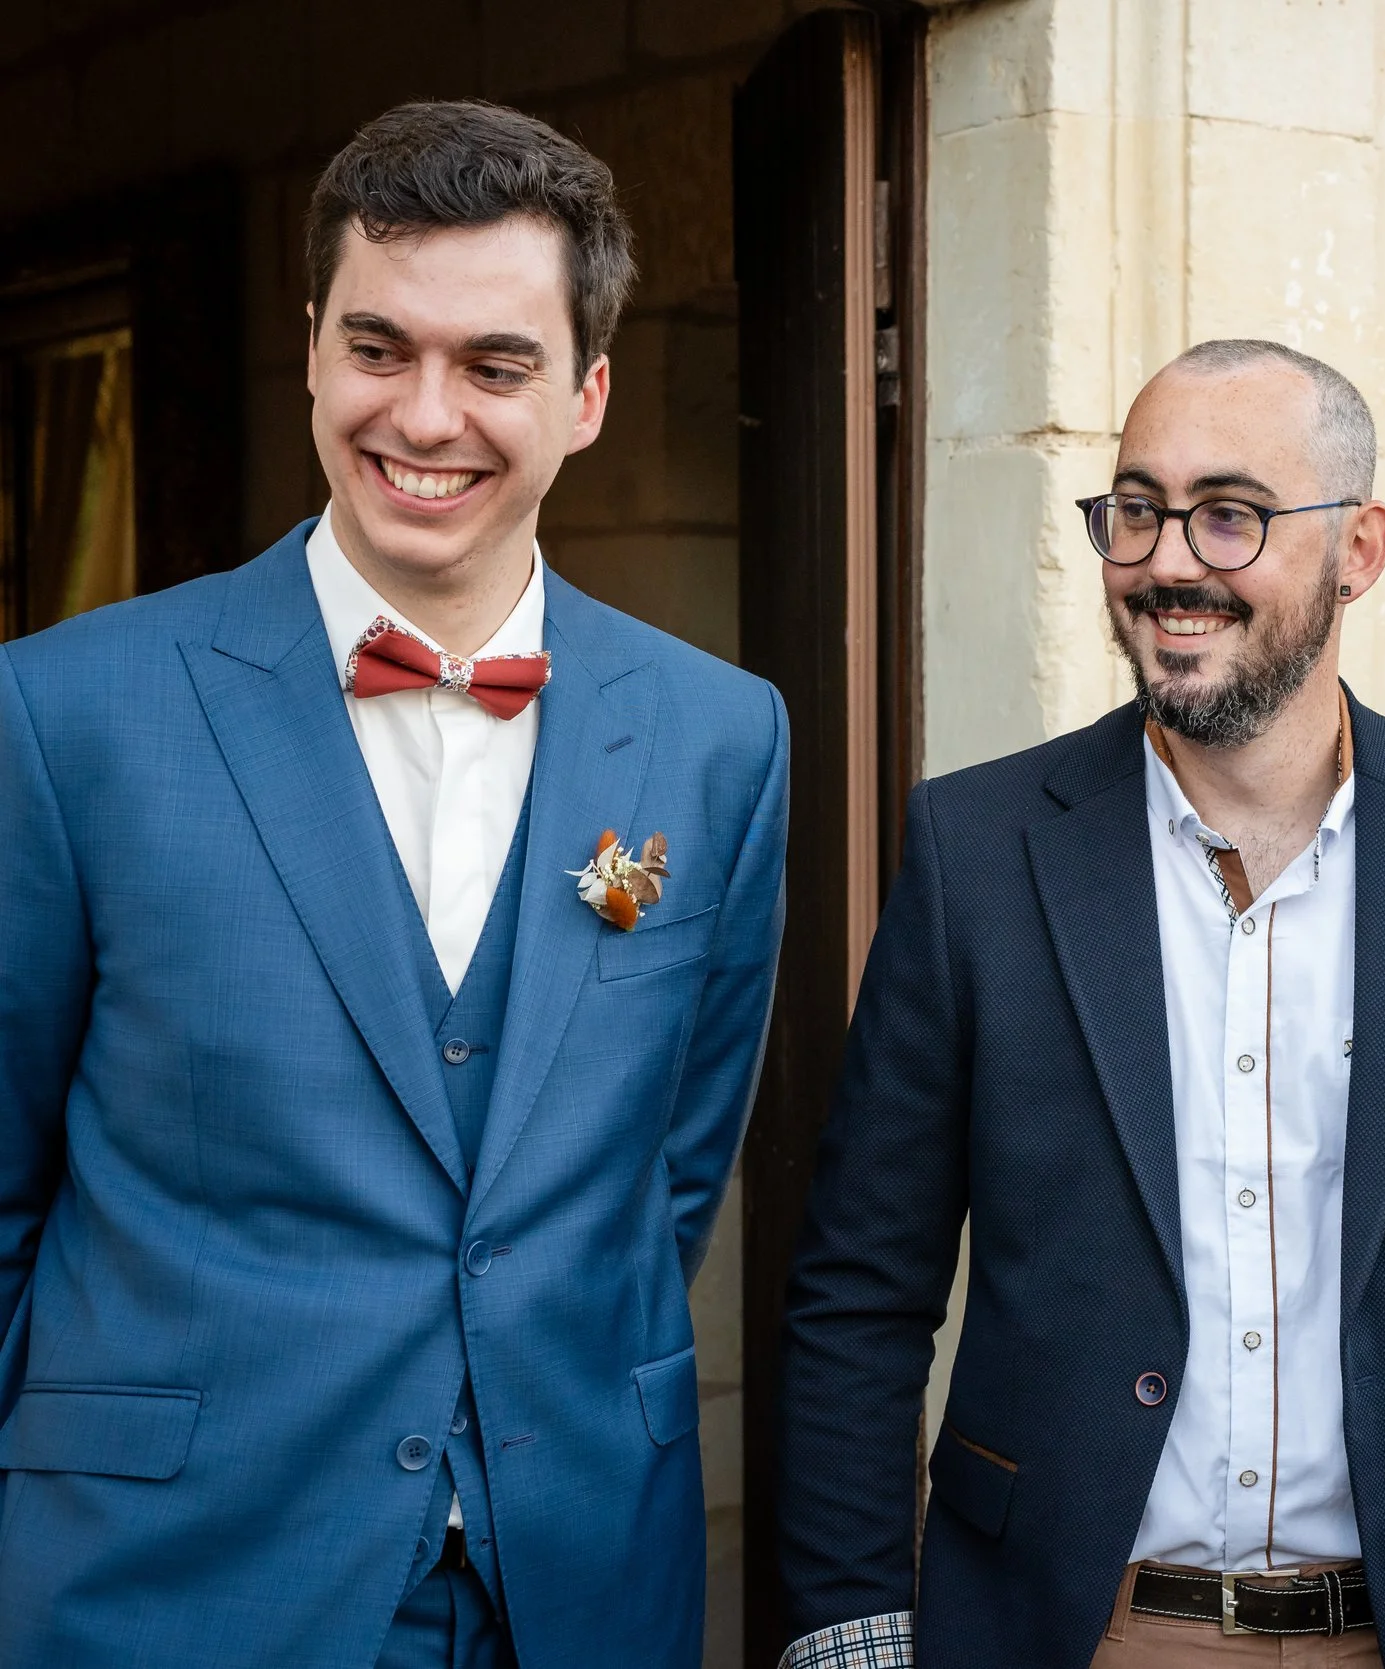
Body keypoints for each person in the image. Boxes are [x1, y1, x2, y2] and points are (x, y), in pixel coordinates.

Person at [0, 101, 788, 1668]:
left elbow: (665, 1177)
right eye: (379, 349)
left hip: (574, 1583)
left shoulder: (720, 736)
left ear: (587, 395)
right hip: (172, 1586)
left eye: (495, 365)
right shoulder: (63, 713)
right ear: (311, 351)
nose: (426, 417)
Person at [774, 340, 1385, 1668]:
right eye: (1136, 510)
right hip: (1081, 1630)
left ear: (1358, 549)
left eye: (1229, 515)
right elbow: (860, 1292)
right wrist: (852, 1630)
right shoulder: (976, 852)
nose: (1165, 562)